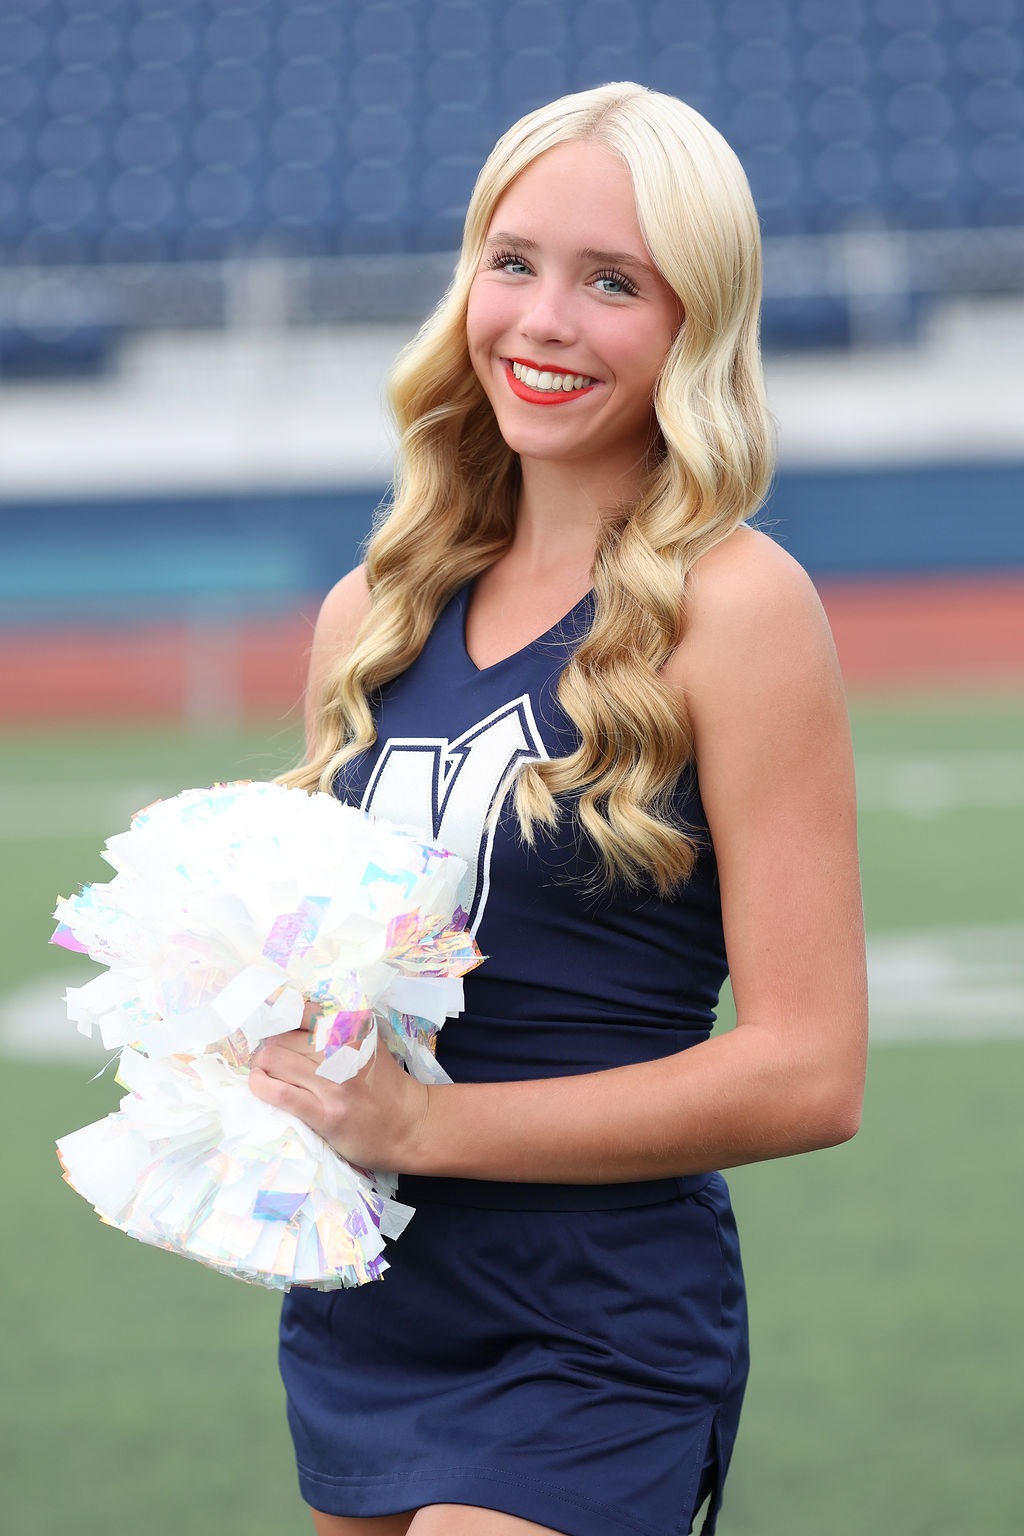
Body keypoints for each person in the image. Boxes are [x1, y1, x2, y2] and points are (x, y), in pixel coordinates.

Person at [249, 81, 867, 1536]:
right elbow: (342, 978)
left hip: (597, 1318)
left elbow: (809, 1073)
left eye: (613, 283)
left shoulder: (739, 606)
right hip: (367, 1292)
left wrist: (420, 1123)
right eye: (513, 262)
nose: (543, 320)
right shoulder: (370, 613)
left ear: (696, 324)